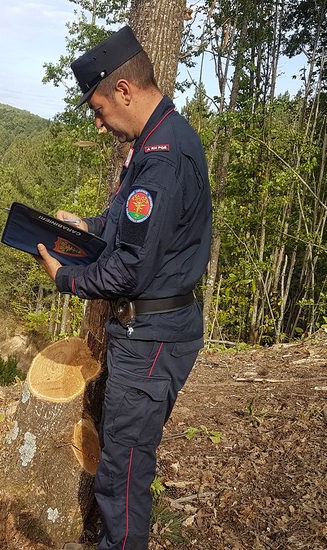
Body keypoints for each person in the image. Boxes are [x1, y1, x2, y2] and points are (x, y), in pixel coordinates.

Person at [35, 26, 211, 550]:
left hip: (153, 333)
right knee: (123, 457)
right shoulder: (158, 139)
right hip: (150, 329)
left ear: (124, 91)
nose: (97, 122)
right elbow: (128, 224)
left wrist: (67, 278)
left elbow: (130, 268)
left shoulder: (161, 157)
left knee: (124, 468)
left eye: (98, 109)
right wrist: (84, 227)